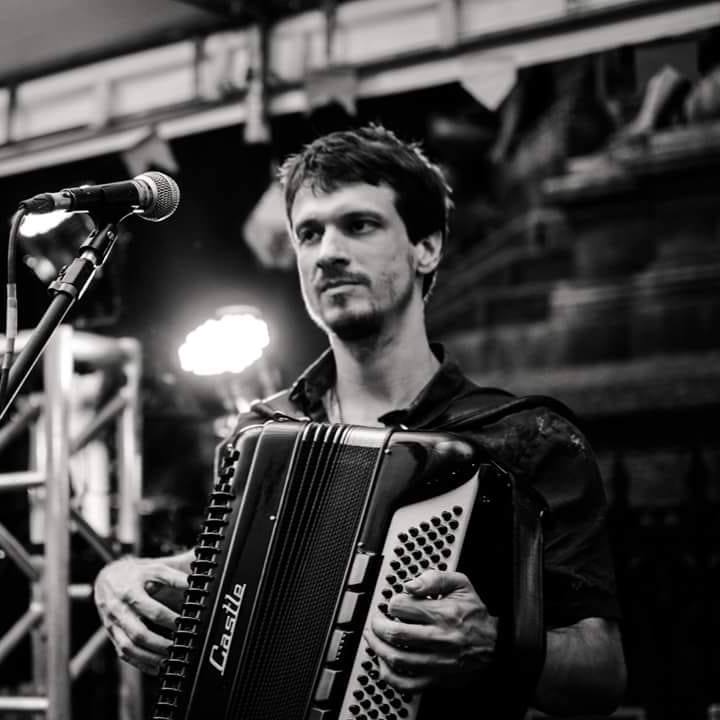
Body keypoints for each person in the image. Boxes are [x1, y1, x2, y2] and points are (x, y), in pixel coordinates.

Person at [94, 124, 626, 717]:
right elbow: (226, 574)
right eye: (309, 233)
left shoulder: (526, 438)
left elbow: (602, 674)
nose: (328, 252)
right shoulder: (262, 433)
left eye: (359, 225)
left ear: (427, 248)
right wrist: (122, 575)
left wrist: (494, 644)